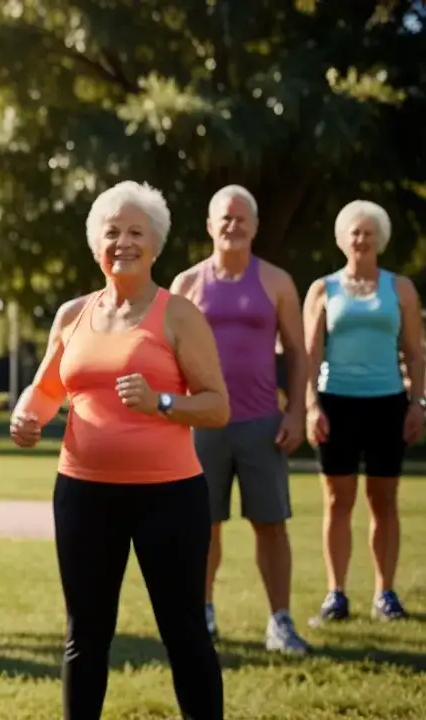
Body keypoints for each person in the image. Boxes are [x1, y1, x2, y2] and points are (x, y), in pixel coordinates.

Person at [10, 181, 228, 720]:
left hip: (170, 498)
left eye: (136, 232)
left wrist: (162, 403)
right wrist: (27, 416)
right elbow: (46, 388)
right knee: (85, 635)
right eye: (112, 232)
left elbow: (217, 406)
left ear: (155, 244)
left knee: (184, 633)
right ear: (95, 245)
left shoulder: (178, 314)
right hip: (83, 494)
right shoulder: (72, 314)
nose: (123, 242)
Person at [170, 185, 311, 654]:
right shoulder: (187, 284)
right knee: (201, 526)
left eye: (241, 218)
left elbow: (297, 351)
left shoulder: (276, 282)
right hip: (202, 424)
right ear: (210, 226)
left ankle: (280, 621)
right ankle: (203, 614)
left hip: (262, 423)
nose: (232, 225)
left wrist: (296, 411)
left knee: (270, 524)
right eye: (223, 218)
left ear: (254, 225)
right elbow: (167, 355)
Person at [303, 199, 421, 624]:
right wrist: (311, 404)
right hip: (336, 402)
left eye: (369, 232)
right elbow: (310, 355)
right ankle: (336, 594)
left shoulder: (401, 288)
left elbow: (414, 353)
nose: (361, 238)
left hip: (388, 403)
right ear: (341, 239)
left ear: (380, 239)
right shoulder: (323, 289)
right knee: (338, 500)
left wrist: (417, 403)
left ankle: (384, 594)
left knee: (384, 500)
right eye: (354, 231)